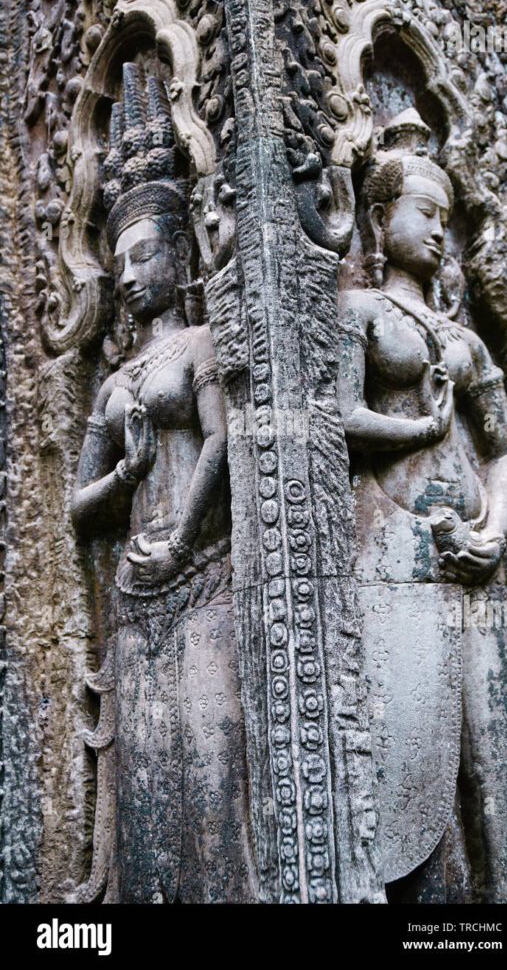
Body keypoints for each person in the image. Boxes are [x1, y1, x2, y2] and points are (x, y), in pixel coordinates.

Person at [72, 64, 256, 903]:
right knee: (146, 780)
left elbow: (222, 439)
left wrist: (183, 538)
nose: (128, 274)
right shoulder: (113, 386)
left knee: (216, 760)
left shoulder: (203, 345)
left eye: (144, 253)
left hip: (204, 572)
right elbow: (80, 508)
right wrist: (126, 472)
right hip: (135, 594)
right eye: (118, 261)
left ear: (179, 252)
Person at [337, 109, 507, 902]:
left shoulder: (464, 340)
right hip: (391, 562)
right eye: (426, 213)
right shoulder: (357, 314)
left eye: (447, 218)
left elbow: (506, 449)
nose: (441, 231)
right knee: (402, 757)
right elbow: (335, 419)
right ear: (380, 218)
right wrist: (420, 427)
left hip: (471, 565)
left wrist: (494, 528)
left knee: (491, 763)